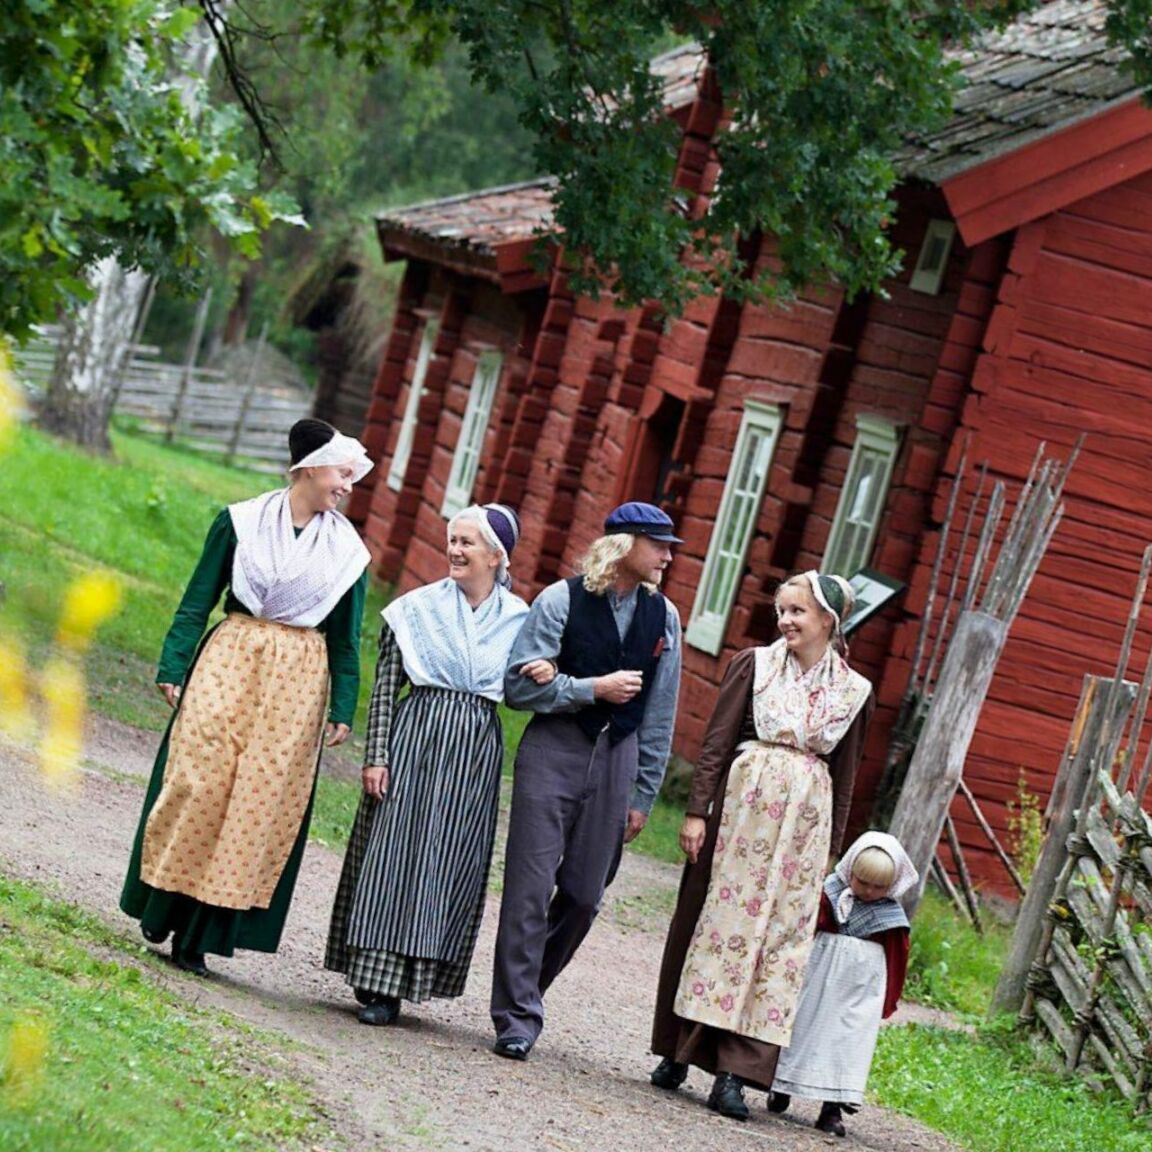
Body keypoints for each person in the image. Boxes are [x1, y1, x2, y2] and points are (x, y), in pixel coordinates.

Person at [120, 418, 373, 977]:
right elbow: (197, 596)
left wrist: (342, 705)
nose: (348, 485)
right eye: (340, 472)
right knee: (199, 778)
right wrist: (174, 661)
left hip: (299, 677)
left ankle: (199, 936)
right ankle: (162, 901)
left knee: (256, 802)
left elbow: (346, 637)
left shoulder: (347, 553)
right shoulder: (240, 522)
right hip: (233, 654)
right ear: (308, 470)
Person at [649, 571, 874, 1121]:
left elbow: (845, 775)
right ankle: (681, 1051)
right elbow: (717, 742)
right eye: (783, 610)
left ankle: (735, 1074)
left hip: (803, 827)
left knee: (778, 947)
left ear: (829, 620)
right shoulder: (755, 665)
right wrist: (698, 811)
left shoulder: (854, 691)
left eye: (798, 611)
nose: (786, 621)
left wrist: (831, 851)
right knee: (711, 926)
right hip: (741, 813)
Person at [324, 503, 544, 1026]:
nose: (455, 550)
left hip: (474, 749)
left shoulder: (520, 621)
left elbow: (524, 690)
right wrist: (376, 755)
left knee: (448, 860)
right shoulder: (414, 610)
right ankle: (376, 983)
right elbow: (383, 690)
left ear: (496, 557)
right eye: (452, 540)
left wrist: (545, 670)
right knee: (392, 856)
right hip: (416, 735)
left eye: (468, 543)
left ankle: (420, 975)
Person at [489, 501, 683, 1060]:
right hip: (555, 750)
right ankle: (518, 1016)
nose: (668, 557)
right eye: (659, 544)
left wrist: (643, 792)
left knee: (582, 896)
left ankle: (526, 991)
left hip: (618, 759)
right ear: (624, 546)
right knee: (528, 888)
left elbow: (660, 712)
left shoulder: (663, 617)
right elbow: (518, 690)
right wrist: (586, 688)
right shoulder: (559, 601)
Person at [768, 831, 917, 1138]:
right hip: (820, 973)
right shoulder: (831, 894)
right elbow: (805, 928)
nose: (869, 891)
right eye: (862, 882)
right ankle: (782, 1085)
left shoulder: (890, 918)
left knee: (846, 1044)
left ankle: (831, 1109)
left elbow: (896, 961)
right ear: (850, 870)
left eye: (879, 887)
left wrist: (887, 1000)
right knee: (802, 1028)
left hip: (859, 990)